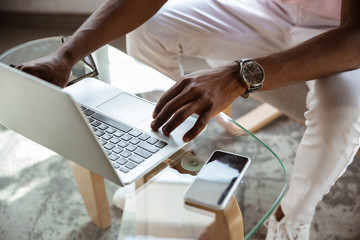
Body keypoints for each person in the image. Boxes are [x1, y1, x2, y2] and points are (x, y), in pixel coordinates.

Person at [15, 0, 360, 239]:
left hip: (340, 33)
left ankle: (291, 220)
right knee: (150, 27)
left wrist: (240, 75)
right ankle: (160, 159)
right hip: (264, 10)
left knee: (343, 114)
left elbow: (354, 38)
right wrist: (66, 55)